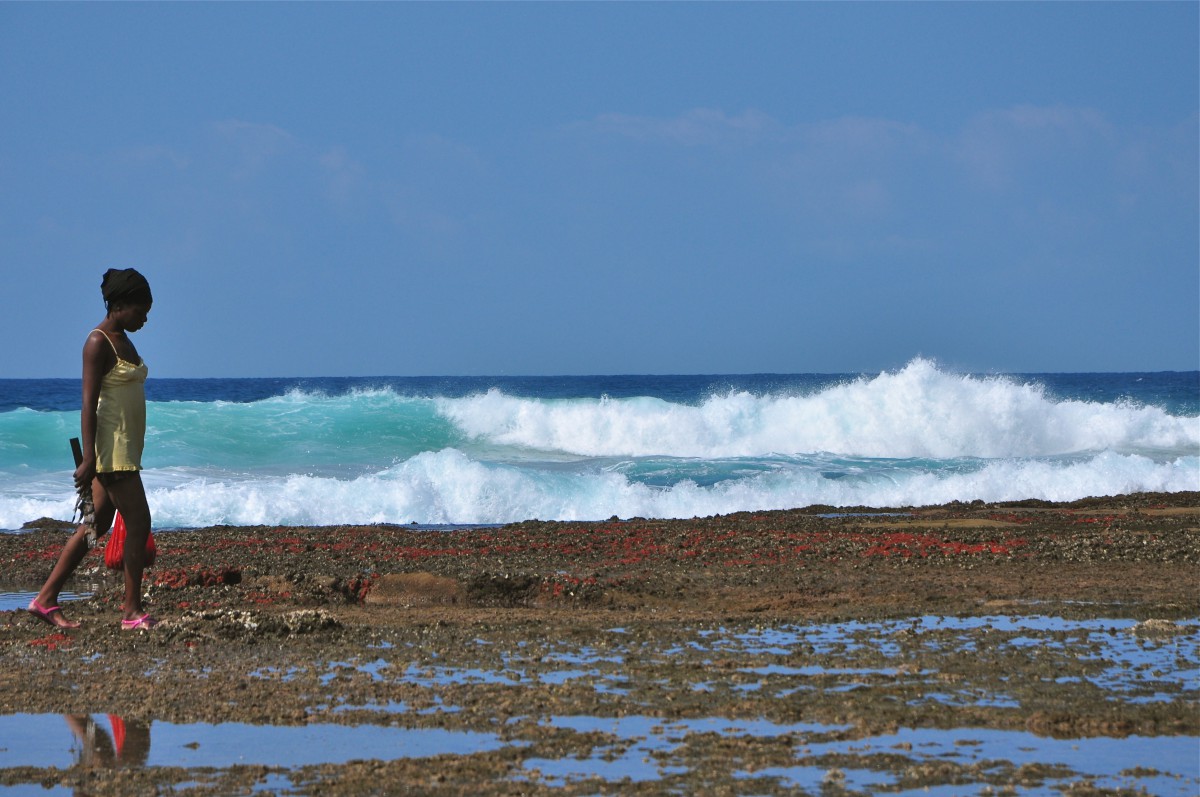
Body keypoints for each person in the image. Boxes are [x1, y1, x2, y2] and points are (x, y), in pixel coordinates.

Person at [29, 268, 157, 630]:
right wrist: (89, 458)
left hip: (126, 448)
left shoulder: (126, 341)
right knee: (139, 522)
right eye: (139, 310)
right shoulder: (97, 342)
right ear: (117, 305)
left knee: (95, 525)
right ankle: (132, 612)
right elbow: (88, 404)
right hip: (111, 450)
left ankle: (45, 600)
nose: (145, 318)